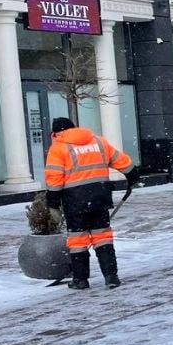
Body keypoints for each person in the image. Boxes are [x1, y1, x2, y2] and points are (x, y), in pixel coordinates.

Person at [45, 117, 138, 290]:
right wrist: (132, 175)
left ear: (55, 133)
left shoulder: (58, 148)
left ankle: (80, 280)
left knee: (78, 240)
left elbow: (54, 179)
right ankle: (111, 276)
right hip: (100, 197)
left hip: (74, 202)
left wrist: (53, 204)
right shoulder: (99, 141)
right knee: (102, 236)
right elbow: (121, 160)